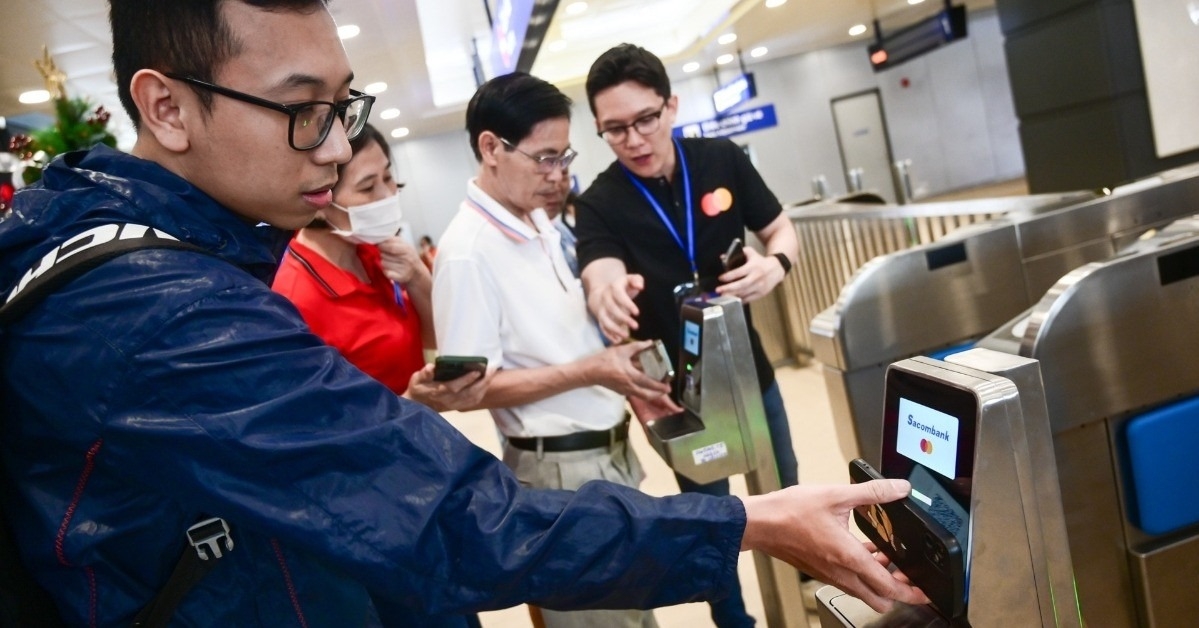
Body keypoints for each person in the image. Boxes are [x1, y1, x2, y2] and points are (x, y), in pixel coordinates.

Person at [0, 1, 927, 625]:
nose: (334, 145)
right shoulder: (158, 312)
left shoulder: (175, 255)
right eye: (302, 112)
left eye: (341, 106)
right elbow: (448, 516)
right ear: (166, 107)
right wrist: (748, 524)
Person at [432, 71, 674, 628]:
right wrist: (593, 369)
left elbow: (546, 333)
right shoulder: (467, 251)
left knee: (634, 616)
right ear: (490, 148)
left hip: (606, 454)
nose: (558, 174)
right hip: (558, 473)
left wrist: (605, 301)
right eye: (544, 158)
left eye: (564, 157)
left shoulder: (540, 221)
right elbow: (471, 393)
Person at [576, 43, 806, 626]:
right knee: (709, 518)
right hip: (678, 396)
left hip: (750, 371)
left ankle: (806, 590)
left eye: (645, 119)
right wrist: (605, 291)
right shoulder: (601, 202)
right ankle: (734, 620)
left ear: (671, 105)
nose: (633, 139)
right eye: (615, 129)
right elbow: (599, 269)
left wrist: (774, 264)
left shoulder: (720, 160)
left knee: (786, 488)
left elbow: (781, 230)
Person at [272, 122, 486, 410]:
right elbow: (316, 419)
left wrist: (418, 277)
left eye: (388, 178)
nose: (387, 195)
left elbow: (439, 336)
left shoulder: (375, 252)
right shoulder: (293, 296)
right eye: (368, 187)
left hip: (417, 432)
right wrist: (411, 403)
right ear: (320, 198)